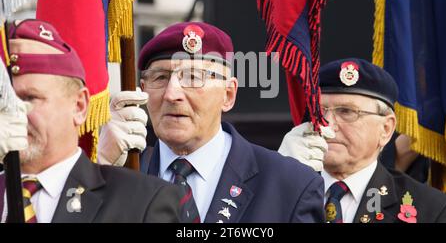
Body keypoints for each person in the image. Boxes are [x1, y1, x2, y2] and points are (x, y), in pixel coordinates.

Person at [99, 21, 325, 223]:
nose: (171, 94)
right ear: (143, 90)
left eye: (193, 77)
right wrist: (99, 169)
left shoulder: (288, 186)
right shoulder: (118, 177)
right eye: (160, 78)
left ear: (228, 95)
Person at [0, 19, 183, 223]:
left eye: (29, 98)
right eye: (2, 100)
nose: (13, 112)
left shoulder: (143, 203)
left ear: (79, 106)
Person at [278, 58, 446, 223]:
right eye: (319, 112)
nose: (327, 124)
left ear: (386, 129)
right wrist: (278, 180)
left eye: (346, 111)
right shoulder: (279, 192)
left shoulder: (432, 209)